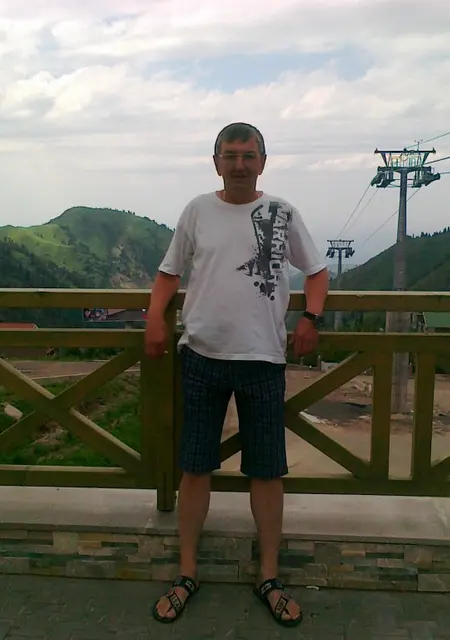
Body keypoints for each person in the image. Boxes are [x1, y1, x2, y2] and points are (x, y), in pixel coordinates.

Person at [145, 122, 329, 628]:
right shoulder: (197, 211)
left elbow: (316, 271)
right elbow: (168, 273)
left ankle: (268, 576)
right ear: (217, 162)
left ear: (262, 162)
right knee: (194, 468)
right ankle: (187, 573)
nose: (240, 164)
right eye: (231, 155)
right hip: (201, 356)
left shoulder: (283, 212)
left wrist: (310, 319)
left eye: (249, 155)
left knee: (267, 472)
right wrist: (155, 316)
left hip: (263, 358)